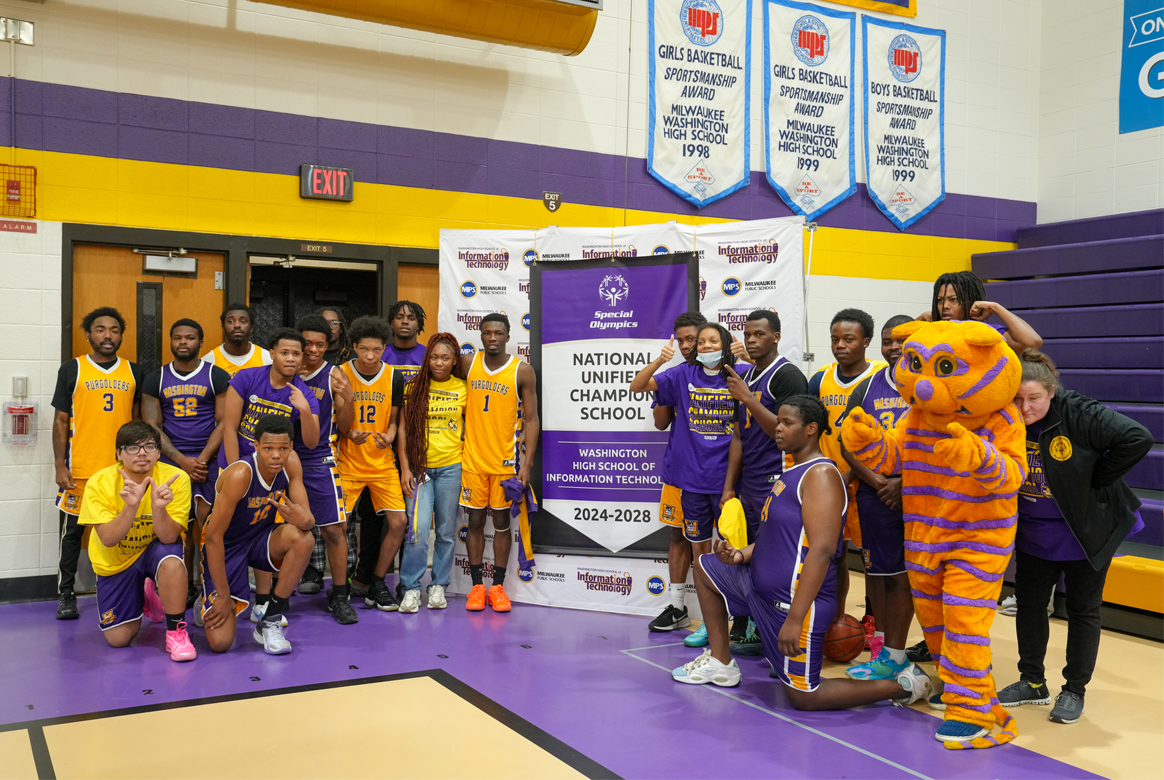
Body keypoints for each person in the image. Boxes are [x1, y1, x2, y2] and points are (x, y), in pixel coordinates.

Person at [671, 396, 933, 711]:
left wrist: (795, 619)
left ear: (810, 429)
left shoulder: (821, 475)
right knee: (705, 567)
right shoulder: (793, 472)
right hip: (757, 589)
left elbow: (822, 552)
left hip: (792, 607)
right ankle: (720, 661)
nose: (777, 429)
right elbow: (777, 539)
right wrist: (739, 555)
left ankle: (905, 685)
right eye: (778, 422)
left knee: (804, 696)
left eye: (786, 423)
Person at [996, 350, 1152, 724]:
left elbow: (1137, 437)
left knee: (1083, 611)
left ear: (1051, 393)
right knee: (1030, 606)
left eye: (1034, 398)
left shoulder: (1079, 412)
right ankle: (1032, 682)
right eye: (1017, 398)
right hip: (1034, 534)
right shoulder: (1002, 418)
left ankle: (1074, 690)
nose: (1025, 407)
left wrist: (1094, 479)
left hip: (1086, 532)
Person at [630, 322, 738, 645]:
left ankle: (741, 620)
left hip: (728, 483)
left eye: (711, 341)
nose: (704, 346)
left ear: (725, 344)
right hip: (691, 482)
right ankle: (708, 623)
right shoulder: (680, 375)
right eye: (699, 342)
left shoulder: (738, 374)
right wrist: (660, 360)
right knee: (701, 555)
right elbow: (638, 386)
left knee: (733, 553)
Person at [720, 310, 808, 653]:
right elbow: (739, 436)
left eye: (759, 334)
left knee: (773, 558)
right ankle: (753, 625)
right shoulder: (746, 376)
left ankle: (778, 630)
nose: (752, 340)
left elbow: (787, 432)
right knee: (746, 555)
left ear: (776, 336)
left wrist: (748, 398)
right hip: (749, 482)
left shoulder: (786, 376)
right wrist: (730, 486)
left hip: (779, 478)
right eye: (748, 334)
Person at [219, 328, 319, 624]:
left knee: (263, 525)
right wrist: (238, 469)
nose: (290, 358)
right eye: (284, 352)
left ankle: (264, 602)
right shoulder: (247, 378)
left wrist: (303, 411)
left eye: (296, 354)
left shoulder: (304, 393)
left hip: (271, 471)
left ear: (303, 359)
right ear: (272, 353)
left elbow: (311, 441)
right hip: (237, 466)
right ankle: (212, 589)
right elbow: (229, 426)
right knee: (219, 528)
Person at [52, 307, 144, 620]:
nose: (107, 335)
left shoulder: (133, 371)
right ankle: (66, 594)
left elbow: (139, 422)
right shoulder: (72, 369)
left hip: (121, 472)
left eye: (114, 330)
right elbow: (61, 420)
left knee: (127, 533)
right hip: (80, 470)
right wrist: (58, 465)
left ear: (121, 334)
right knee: (71, 537)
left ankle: (131, 590)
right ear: (88, 334)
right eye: (100, 329)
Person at [79, 421, 195, 661]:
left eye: (149, 446)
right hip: (116, 560)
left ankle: (176, 632)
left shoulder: (176, 478)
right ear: (118, 453)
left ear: (159, 451)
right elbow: (109, 539)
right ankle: (145, 591)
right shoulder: (99, 483)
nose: (142, 453)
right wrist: (131, 507)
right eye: (132, 447)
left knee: (172, 558)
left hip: (155, 549)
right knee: (119, 639)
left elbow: (169, 536)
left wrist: (158, 508)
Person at [201, 415, 316, 655]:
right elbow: (213, 538)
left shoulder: (291, 463)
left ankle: (270, 618)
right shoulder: (240, 474)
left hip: (259, 538)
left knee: (304, 537)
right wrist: (222, 596)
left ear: (291, 447)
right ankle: (210, 597)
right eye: (268, 448)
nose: (276, 455)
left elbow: (308, 521)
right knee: (221, 643)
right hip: (227, 545)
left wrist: (299, 518)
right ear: (256, 446)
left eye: (283, 448)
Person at [840, 314, 915, 679]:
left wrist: (904, 483)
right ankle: (883, 648)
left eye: (902, 340)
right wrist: (879, 482)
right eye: (888, 341)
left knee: (908, 576)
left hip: (921, 495)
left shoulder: (931, 385)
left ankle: (903, 652)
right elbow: (849, 443)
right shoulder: (867, 388)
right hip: (876, 495)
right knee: (881, 573)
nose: (894, 347)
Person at [808, 309, 886, 638]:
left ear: (866, 342)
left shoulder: (880, 378)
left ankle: (872, 618)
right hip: (828, 486)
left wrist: (856, 475)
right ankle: (835, 618)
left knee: (872, 559)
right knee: (833, 556)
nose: (840, 345)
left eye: (849, 340)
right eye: (835, 340)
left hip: (868, 483)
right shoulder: (819, 379)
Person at [142, 319, 230, 609]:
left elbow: (225, 421)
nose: (183, 342)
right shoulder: (157, 378)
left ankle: (211, 585)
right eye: (177, 337)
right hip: (171, 463)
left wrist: (201, 460)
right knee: (178, 528)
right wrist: (181, 461)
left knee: (208, 528)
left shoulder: (216, 375)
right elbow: (151, 424)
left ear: (200, 343)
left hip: (209, 462)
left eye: (190, 337)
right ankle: (185, 586)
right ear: (170, 341)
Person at [459, 313, 540, 612]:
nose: (492, 337)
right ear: (481, 336)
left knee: (503, 524)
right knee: (476, 522)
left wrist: (526, 465)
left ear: (508, 336)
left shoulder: (522, 371)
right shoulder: (467, 364)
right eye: (487, 333)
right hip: (472, 463)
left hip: (505, 465)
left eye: (498, 333)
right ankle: (477, 587)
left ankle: (498, 588)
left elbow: (531, 420)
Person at [634, 311, 705, 633]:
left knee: (723, 541)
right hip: (680, 469)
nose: (688, 346)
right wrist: (667, 379)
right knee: (678, 535)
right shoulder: (675, 375)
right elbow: (661, 422)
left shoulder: (730, 374)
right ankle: (677, 606)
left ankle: (731, 613)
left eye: (694, 339)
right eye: (683, 340)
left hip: (721, 474)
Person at [338, 316, 408, 612]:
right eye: (364, 349)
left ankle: (378, 582)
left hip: (381, 463)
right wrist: (347, 432)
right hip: (349, 463)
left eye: (377, 350)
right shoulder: (340, 373)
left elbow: (393, 422)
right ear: (354, 347)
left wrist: (389, 436)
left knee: (399, 522)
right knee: (338, 527)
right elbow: (339, 422)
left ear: (384, 348)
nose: (370, 356)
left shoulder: (394, 376)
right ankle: (340, 590)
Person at [398, 332, 468, 612]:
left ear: (454, 362)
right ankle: (411, 588)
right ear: (427, 359)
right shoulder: (414, 386)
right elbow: (403, 429)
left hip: (452, 466)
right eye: (435, 357)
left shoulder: (464, 388)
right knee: (416, 530)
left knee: (446, 531)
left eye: (446, 358)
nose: (439, 362)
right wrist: (405, 467)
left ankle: (438, 585)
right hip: (419, 468)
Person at [295, 315, 358, 625]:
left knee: (334, 529)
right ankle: (269, 599)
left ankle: (340, 594)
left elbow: (345, 428)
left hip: (318, 458)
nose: (313, 350)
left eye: (320, 344)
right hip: (280, 459)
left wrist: (350, 399)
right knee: (269, 529)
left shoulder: (334, 375)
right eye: (307, 344)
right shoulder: (284, 369)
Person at [919, 271, 1043, 353]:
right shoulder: (933, 332)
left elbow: (1032, 343)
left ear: (970, 301)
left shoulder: (989, 333)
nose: (945, 306)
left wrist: (996, 307)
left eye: (953, 300)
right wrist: (919, 320)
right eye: (940, 301)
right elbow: (901, 345)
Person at [204, 303, 272, 378]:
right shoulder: (209, 362)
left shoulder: (267, 360)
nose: (237, 325)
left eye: (243, 321)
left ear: (251, 328)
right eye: (231, 321)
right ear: (223, 328)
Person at [382, 300, 428, 382]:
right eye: (399, 318)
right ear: (392, 324)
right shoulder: (381, 354)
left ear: (418, 325)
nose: (405, 322)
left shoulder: (428, 355)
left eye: (411, 318)